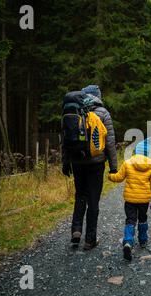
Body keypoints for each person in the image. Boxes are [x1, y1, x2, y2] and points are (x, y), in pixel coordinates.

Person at [62, 84, 118, 250]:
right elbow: (110, 142)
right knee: (93, 200)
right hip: (96, 162)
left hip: (77, 161)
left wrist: (65, 162)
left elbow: (64, 140)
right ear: (97, 96)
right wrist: (113, 166)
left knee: (80, 195)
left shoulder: (72, 111)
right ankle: (90, 240)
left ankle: (76, 231)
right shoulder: (103, 113)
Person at [108, 138, 151, 261]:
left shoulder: (128, 163)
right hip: (144, 201)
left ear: (136, 151)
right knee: (142, 219)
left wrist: (110, 175)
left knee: (130, 220)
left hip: (130, 200)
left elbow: (119, 177)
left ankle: (128, 242)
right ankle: (142, 240)